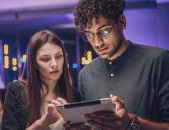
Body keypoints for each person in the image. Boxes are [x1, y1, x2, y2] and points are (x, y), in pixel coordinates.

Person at [71, 0, 169, 129]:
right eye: (89, 35)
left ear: (122, 22)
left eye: (103, 32)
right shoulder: (86, 75)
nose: (97, 43)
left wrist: (131, 123)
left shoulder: (158, 60)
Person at [2, 29, 80, 130]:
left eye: (59, 56)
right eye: (45, 59)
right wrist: (43, 123)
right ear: (34, 63)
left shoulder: (73, 94)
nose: (54, 64)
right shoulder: (17, 91)